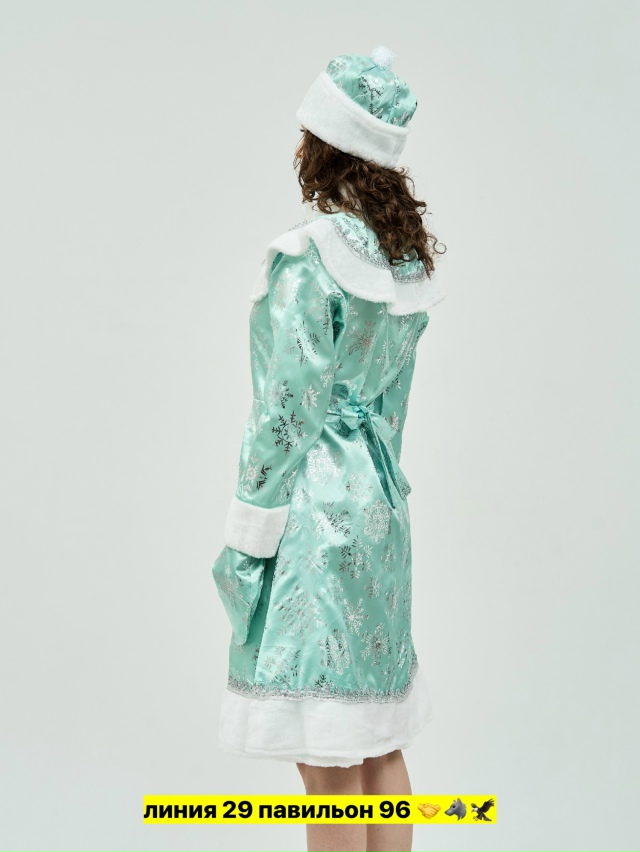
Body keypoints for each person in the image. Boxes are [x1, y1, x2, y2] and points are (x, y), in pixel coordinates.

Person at [212, 44, 446, 852]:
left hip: (313, 511)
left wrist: (249, 529)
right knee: (377, 741)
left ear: (324, 144)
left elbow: (285, 409)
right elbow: (392, 408)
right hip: (379, 503)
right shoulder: (401, 259)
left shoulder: (310, 257)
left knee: (327, 760)